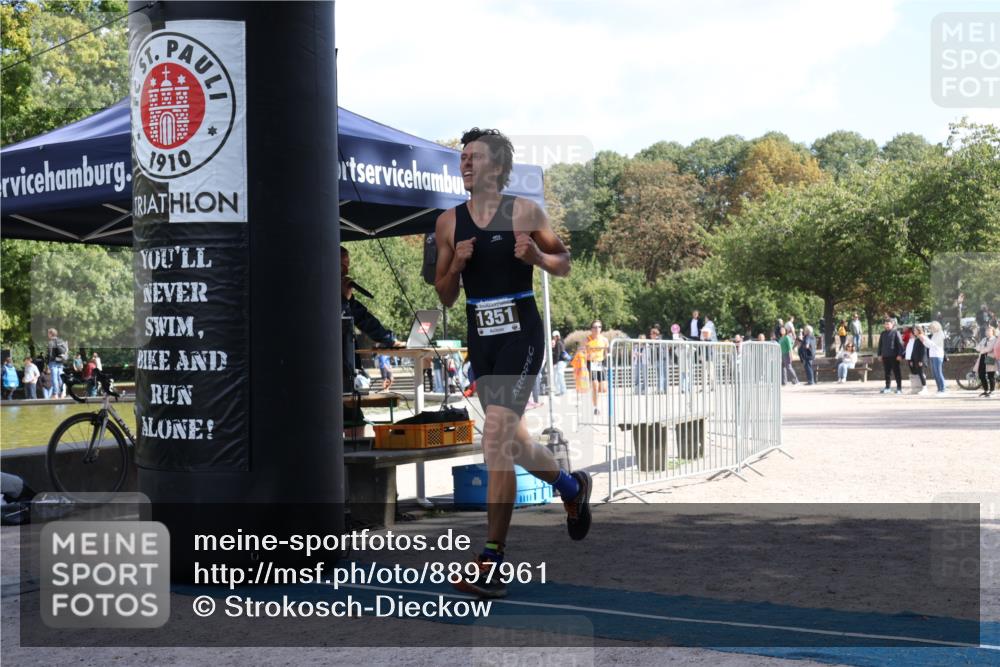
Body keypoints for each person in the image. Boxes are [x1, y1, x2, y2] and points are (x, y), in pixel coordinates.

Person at [434, 127, 590, 598]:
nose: (464, 164)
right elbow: (442, 293)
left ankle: (491, 559)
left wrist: (536, 255)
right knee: (515, 443)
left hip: (520, 332)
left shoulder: (524, 211)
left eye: (474, 157)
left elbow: (564, 260)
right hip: (480, 336)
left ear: (497, 168)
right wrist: (456, 266)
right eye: (462, 157)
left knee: (496, 436)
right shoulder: (447, 223)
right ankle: (569, 487)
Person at [340, 246, 404, 436]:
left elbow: (363, 318)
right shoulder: (319, 290)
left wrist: (388, 340)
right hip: (329, 369)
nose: (346, 270)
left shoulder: (345, 296)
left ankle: (354, 461)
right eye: (342, 265)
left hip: (347, 368)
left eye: (347, 265)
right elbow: (336, 322)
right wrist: (344, 299)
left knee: (355, 421)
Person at [584, 320, 609, 415]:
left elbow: (606, 353)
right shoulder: (587, 339)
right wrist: (587, 356)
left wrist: (607, 360)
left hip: (601, 363)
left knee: (603, 388)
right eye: (595, 327)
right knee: (595, 386)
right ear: (591, 329)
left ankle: (596, 397)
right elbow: (583, 352)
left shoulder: (604, 340)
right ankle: (596, 407)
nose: (597, 329)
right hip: (591, 363)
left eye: (599, 327)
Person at [877, 318, 904, 394]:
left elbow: (900, 345)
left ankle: (899, 388)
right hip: (885, 356)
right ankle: (887, 387)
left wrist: (900, 354)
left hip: (894, 356)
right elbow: (880, 345)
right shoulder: (883, 333)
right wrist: (879, 354)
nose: (887, 325)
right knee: (887, 373)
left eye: (888, 324)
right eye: (885, 324)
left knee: (896, 372)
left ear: (892, 324)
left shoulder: (896, 333)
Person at [920, 321, 947, 394]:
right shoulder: (934, 334)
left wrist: (925, 338)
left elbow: (933, 344)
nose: (930, 329)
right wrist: (923, 341)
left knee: (938, 372)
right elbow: (929, 345)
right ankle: (939, 389)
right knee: (934, 373)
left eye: (931, 328)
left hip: (938, 355)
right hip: (932, 355)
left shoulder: (940, 333)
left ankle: (943, 389)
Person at [905, 325, 929, 395]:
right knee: (918, 373)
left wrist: (921, 361)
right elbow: (913, 351)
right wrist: (912, 360)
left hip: (920, 360)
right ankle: (917, 389)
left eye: (915, 330)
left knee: (921, 374)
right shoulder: (916, 339)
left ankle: (925, 388)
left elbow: (923, 351)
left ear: (919, 330)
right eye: (914, 330)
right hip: (915, 359)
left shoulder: (921, 338)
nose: (914, 332)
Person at [974, 325, 997, 397]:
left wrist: (982, 349)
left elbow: (990, 349)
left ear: (992, 332)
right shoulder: (984, 339)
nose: (987, 332)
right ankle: (986, 390)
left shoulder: (995, 339)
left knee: (991, 375)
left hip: (990, 357)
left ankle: (992, 391)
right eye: (986, 331)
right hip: (982, 358)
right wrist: (983, 349)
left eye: (989, 331)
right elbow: (977, 347)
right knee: (981, 374)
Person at [46, 328, 68, 399]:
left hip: (53, 362)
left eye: (48, 333)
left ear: (51, 334)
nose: (47, 335)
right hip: (61, 362)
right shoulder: (60, 341)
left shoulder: (51, 342)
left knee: (54, 378)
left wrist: (48, 362)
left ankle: (55, 394)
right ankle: (62, 393)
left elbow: (50, 354)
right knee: (60, 378)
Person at [551, 331, 568, 396]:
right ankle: (561, 390)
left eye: (553, 337)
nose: (553, 338)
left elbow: (558, 354)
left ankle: (563, 390)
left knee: (560, 376)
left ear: (556, 336)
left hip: (560, 361)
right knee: (560, 376)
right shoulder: (561, 342)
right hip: (563, 361)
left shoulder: (558, 343)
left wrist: (555, 362)